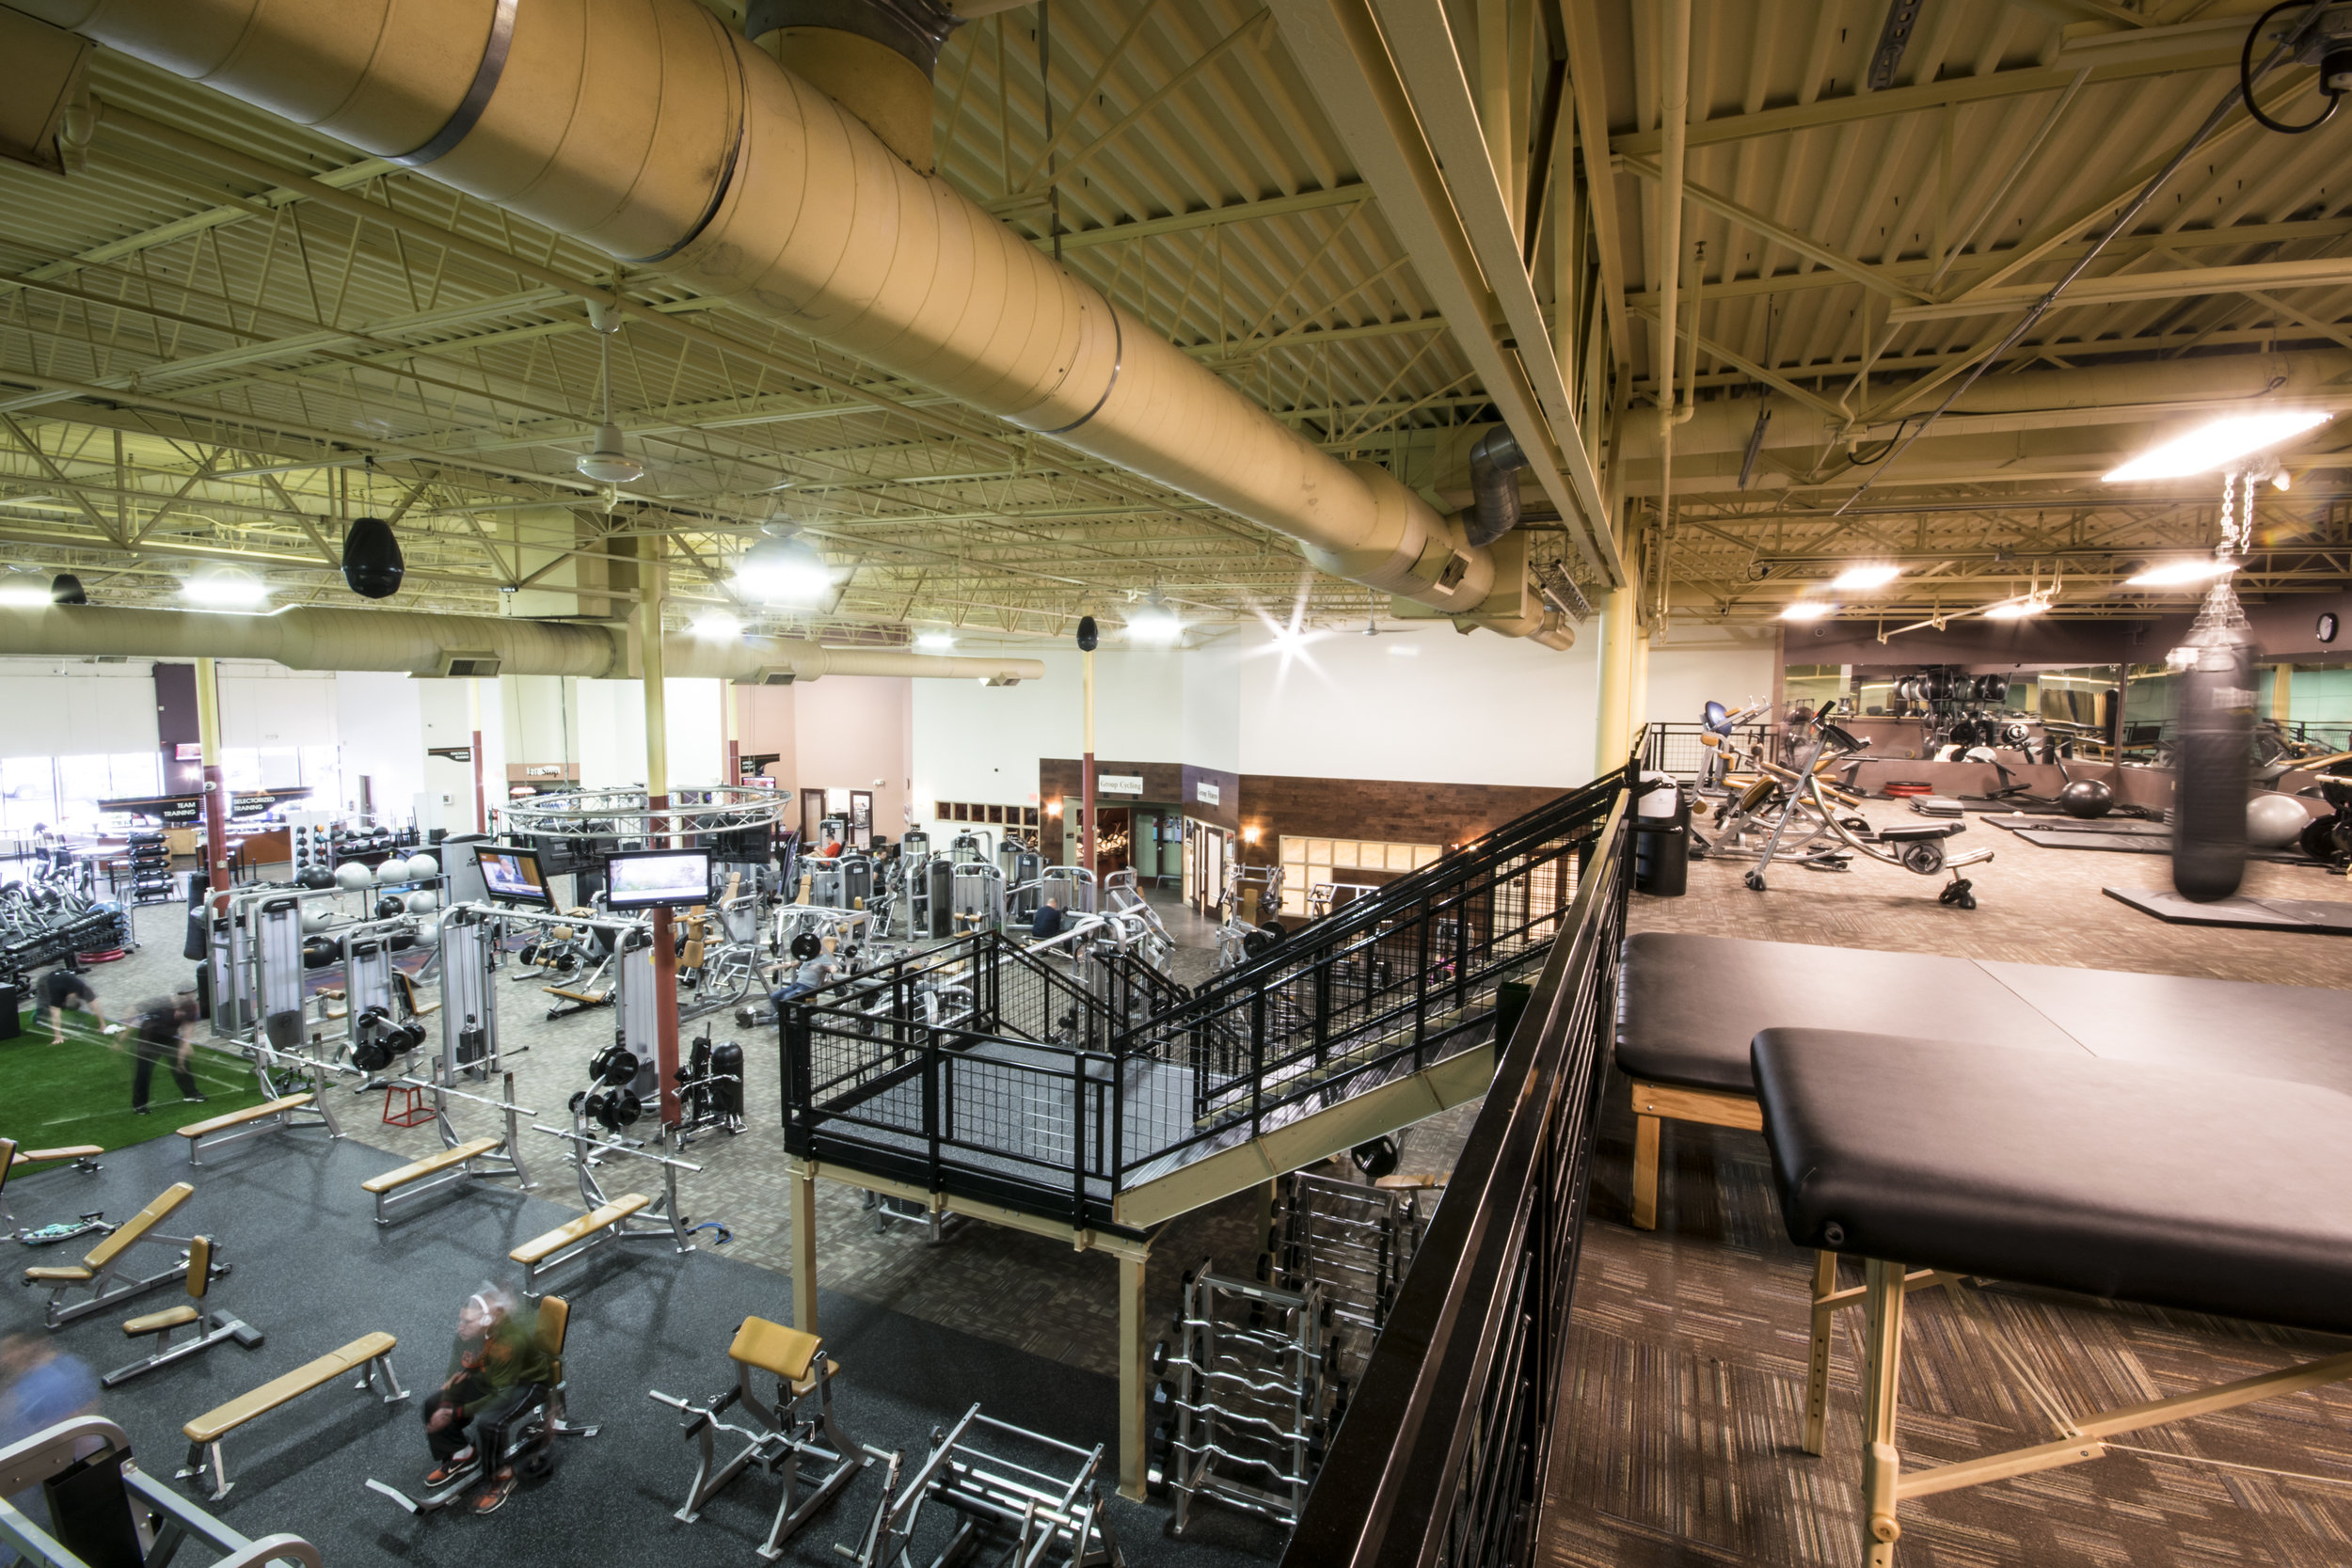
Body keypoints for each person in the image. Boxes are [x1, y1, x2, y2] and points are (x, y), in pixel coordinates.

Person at [420, 1288, 548, 1514]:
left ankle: (503, 1477)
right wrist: (448, 1397)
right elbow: (457, 1367)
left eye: (467, 1322)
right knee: (434, 1404)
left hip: (526, 1384)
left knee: (490, 1423)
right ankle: (463, 1454)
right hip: (491, 1377)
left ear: (488, 1319)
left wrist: (455, 1413)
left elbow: (501, 1394)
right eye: (461, 1319)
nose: (461, 1326)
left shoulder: (508, 1343)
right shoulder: (470, 1332)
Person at [1, 1332, 102, 1557]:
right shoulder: (33, 1382)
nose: (6, 1358)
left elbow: (79, 1437)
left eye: (12, 1351)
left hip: (55, 1484)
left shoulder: (52, 1384)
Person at [128, 991, 204, 1116]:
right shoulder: (159, 1005)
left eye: (191, 994)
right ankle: (139, 1105)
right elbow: (133, 1012)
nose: (189, 996)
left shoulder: (189, 1007)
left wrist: (181, 1058)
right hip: (149, 1041)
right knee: (143, 1072)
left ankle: (191, 1093)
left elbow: (188, 1030)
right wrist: (123, 1035)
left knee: (184, 1065)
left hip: (170, 1038)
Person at [37, 966, 116, 1045]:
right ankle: (38, 1017)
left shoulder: (82, 988)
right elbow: (55, 1014)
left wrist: (102, 1024)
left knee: (60, 1007)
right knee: (45, 1004)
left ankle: (78, 1022)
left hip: (65, 978)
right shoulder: (56, 993)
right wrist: (58, 1036)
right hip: (46, 980)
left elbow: (95, 1005)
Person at [769, 939, 845, 1015]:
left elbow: (833, 968)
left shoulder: (824, 958)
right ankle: (783, 1017)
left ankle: (788, 1020)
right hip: (797, 984)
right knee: (774, 997)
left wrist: (820, 966)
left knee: (787, 998)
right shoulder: (808, 955)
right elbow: (793, 963)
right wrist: (776, 967)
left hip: (808, 988)